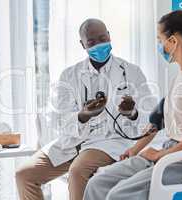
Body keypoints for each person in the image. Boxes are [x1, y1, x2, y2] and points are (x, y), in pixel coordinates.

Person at [83, 8, 182, 200]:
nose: (159, 45)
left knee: (119, 195)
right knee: (97, 183)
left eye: (160, 40)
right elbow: (157, 122)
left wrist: (160, 155)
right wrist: (135, 150)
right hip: (173, 150)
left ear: (173, 41)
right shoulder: (180, 77)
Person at [15, 18, 154, 200]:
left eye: (102, 38)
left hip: (107, 143)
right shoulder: (69, 75)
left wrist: (132, 113)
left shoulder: (131, 72)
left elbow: (150, 118)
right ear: (83, 44)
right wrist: (83, 115)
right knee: (24, 175)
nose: (99, 44)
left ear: (109, 37)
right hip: (71, 143)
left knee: (77, 172)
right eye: (92, 42)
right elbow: (58, 120)